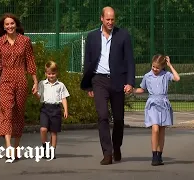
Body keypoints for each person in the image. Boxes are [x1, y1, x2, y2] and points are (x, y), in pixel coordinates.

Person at [80, 6, 135, 165]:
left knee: (118, 119)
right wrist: (88, 85)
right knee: (103, 116)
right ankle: (107, 153)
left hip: (118, 81)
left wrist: (130, 82)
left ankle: (116, 146)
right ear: (101, 19)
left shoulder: (123, 35)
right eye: (108, 19)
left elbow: (130, 60)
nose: (110, 22)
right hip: (99, 81)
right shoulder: (92, 37)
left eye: (113, 19)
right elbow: (88, 62)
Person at [0, 13, 38, 162]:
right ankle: (9, 148)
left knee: (17, 112)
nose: (9, 26)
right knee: (7, 111)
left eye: (12, 24)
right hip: (5, 80)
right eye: (7, 24)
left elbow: (30, 62)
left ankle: (16, 147)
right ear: (3, 27)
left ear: (16, 25)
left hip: (21, 80)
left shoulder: (25, 41)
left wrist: (35, 82)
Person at [133, 55, 180, 166]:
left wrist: (170, 65)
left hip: (164, 103)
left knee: (162, 130)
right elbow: (142, 89)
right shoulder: (147, 76)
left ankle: (159, 155)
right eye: (153, 66)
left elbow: (177, 78)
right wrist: (133, 90)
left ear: (163, 67)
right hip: (152, 104)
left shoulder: (166, 75)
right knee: (155, 129)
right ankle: (154, 155)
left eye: (157, 68)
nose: (155, 69)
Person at [34, 61, 70, 159]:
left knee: (54, 132)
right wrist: (35, 93)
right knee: (43, 129)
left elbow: (63, 98)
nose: (51, 75)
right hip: (45, 108)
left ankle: (52, 150)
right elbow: (39, 96)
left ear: (56, 73)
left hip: (56, 109)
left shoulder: (60, 85)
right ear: (46, 73)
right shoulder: (42, 83)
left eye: (53, 73)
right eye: (49, 73)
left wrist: (65, 110)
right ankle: (45, 148)